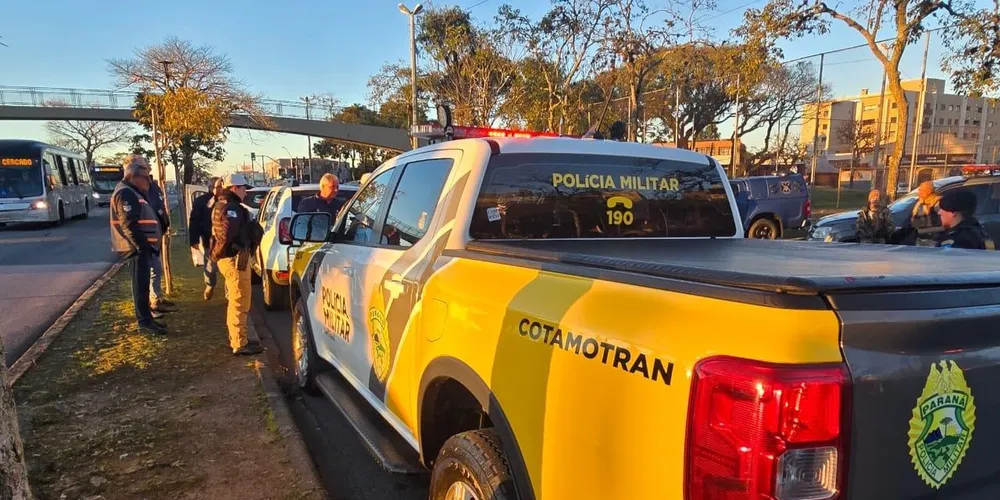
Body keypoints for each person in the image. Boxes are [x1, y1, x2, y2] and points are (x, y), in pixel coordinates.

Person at [109, 155, 166, 335]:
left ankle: (147, 319)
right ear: (134, 176)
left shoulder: (133, 191)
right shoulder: (126, 193)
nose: (148, 182)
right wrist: (142, 247)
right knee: (140, 287)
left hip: (140, 248)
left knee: (143, 285)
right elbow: (129, 224)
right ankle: (144, 322)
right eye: (146, 178)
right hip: (134, 249)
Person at [211, 174, 264, 356]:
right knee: (240, 300)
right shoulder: (231, 208)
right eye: (243, 188)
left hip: (231, 258)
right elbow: (226, 236)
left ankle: (239, 337)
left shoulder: (222, 204)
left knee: (237, 300)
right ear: (234, 188)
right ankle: (239, 343)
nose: (245, 192)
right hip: (235, 260)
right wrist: (233, 250)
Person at [147, 175, 177, 313]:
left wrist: (164, 224)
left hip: (157, 233)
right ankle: (153, 302)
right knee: (153, 270)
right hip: (147, 238)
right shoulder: (135, 190)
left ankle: (156, 297)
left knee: (156, 269)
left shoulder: (153, 186)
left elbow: (160, 207)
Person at [189, 176, 223, 300]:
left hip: (226, 239)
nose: (219, 190)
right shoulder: (201, 202)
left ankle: (230, 291)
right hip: (209, 239)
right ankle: (210, 285)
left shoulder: (228, 201)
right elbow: (194, 221)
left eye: (221, 187)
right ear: (210, 187)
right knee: (210, 266)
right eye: (216, 187)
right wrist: (194, 239)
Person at [911, 180, 944, 246]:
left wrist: (924, 230)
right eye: (919, 190)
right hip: (920, 241)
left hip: (934, 242)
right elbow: (916, 224)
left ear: (929, 191)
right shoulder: (920, 203)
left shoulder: (938, 203)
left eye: (922, 190)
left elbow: (945, 226)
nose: (919, 192)